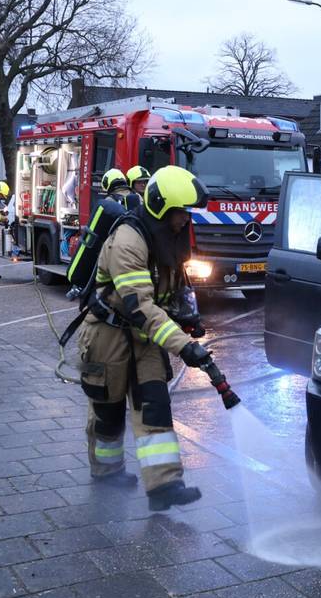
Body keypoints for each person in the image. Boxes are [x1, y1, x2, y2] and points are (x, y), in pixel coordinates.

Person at [76, 165, 217, 510]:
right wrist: (184, 346)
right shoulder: (128, 240)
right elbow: (139, 306)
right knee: (108, 413)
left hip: (146, 338)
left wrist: (189, 316)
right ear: (161, 208)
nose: (186, 220)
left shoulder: (167, 237)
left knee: (154, 407)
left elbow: (172, 288)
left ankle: (164, 486)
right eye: (181, 214)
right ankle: (106, 472)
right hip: (108, 334)